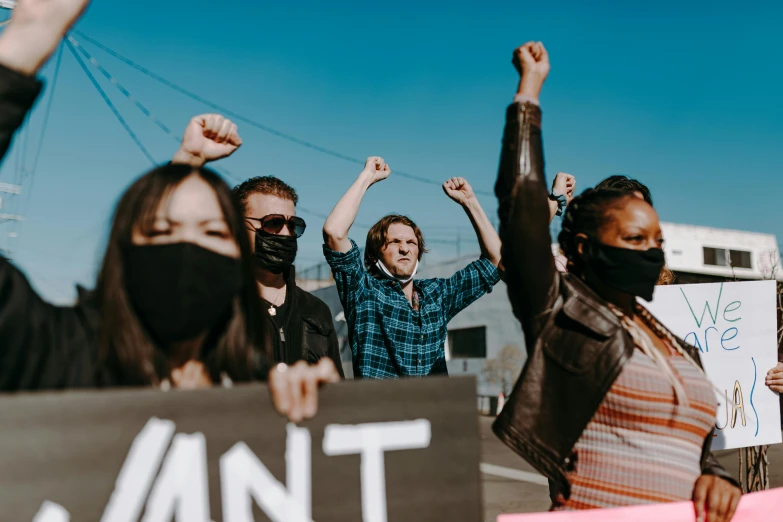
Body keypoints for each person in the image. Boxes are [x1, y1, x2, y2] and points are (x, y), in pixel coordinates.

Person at [0, 0, 338, 423]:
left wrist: (314, 411)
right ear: (123, 250)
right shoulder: (62, 353)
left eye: (213, 233)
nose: (188, 249)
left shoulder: (259, 387)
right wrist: (25, 41)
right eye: (163, 231)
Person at [492, 40, 741, 521]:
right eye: (633, 237)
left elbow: (692, 451)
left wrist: (720, 478)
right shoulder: (560, 311)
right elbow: (520, 209)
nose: (651, 250)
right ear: (584, 247)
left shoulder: (676, 347)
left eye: (657, 239)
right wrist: (529, 92)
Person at [172, 115, 345, 376]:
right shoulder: (215, 302)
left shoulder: (316, 311)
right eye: (272, 223)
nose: (285, 233)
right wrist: (188, 158)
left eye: (293, 225)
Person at [322, 158, 501, 378]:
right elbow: (334, 232)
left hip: (432, 411)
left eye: (411, 243)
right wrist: (367, 177)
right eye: (395, 242)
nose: (404, 249)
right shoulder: (363, 292)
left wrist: (470, 202)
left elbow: (495, 260)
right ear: (376, 252)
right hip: (381, 411)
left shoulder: (437, 295)